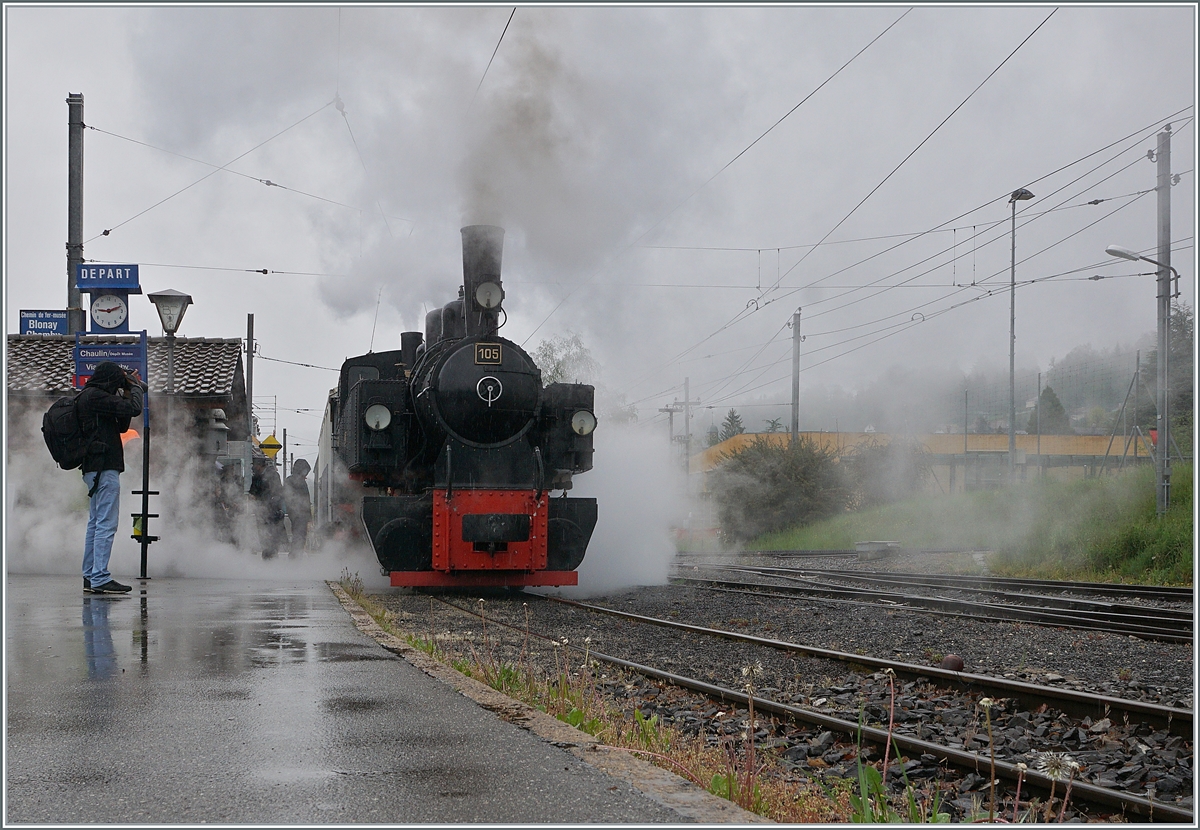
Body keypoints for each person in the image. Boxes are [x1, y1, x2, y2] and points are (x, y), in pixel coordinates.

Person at [77, 361, 145, 594]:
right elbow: (134, 409)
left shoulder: (89, 396)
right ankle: (100, 577)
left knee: (95, 523)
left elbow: (122, 423)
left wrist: (125, 391)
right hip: (104, 468)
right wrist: (134, 386)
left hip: (94, 468)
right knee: (106, 523)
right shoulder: (96, 396)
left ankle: (90, 575)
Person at [249, 453, 286, 559]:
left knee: (271, 531)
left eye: (255, 465)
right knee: (263, 531)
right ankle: (267, 552)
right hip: (262, 509)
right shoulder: (256, 477)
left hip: (271, 509)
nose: (253, 467)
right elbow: (253, 492)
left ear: (259, 465)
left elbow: (278, 492)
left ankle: (271, 552)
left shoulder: (272, 475)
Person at [284, 458, 312, 554]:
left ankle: (295, 555)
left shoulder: (289, 480)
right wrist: (309, 516)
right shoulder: (300, 481)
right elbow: (305, 499)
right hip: (300, 513)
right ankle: (295, 555)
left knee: (296, 534)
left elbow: (287, 497)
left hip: (293, 513)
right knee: (300, 536)